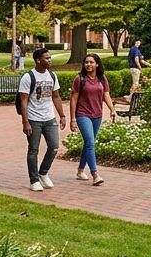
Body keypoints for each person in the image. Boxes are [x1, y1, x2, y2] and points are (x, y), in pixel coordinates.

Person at [19, 47, 67, 192]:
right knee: (33, 150)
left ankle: (43, 172)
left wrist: (62, 115)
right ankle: (34, 180)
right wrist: (25, 121)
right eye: (47, 58)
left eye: (50, 57)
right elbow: (23, 100)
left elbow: (56, 96)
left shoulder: (52, 76)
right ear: (38, 60)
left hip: (49, 117)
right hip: (33, 118)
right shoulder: (28, 77)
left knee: (54, 147)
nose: (50, 60)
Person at [70, 53, 115, 186]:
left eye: (91, 62)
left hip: (97, 115)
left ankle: (80, 170)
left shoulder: (102, 79)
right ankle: (95, 174)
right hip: (83, 115)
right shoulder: (79, 79)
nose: (88, 65)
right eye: (86, 62)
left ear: (97, 64)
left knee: (88, 143)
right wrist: (73, 119)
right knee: (90, 143)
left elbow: (106, 95)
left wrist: (112, 109)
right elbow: (73, 100)